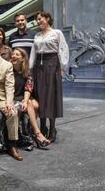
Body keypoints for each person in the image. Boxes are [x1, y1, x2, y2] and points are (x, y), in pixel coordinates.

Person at [29, 11, 69, 143]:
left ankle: (52, 128)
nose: (38, 22)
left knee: (51, 97)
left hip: (52, 65)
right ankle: (42, 126)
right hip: (38, 68)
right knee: (40, 96)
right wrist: (30, 68)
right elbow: (33, 52)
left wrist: (62, 67)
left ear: (47, 19)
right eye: (37, 20)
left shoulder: (57, 33)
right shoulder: (37, 35)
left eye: (40, 19)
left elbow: (63, 49)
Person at [10, 47, 50, 148]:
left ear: (23, 58)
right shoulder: (8, 70)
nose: (14, 56)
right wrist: (25, 101)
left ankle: (31, 132)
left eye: (17, 54)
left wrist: (25, 100)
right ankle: (37, 133)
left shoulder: (27, 71)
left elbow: (28, 88)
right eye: (13, 54)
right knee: (31, 104)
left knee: (35, 105)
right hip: (13, 98)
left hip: (22, 96)